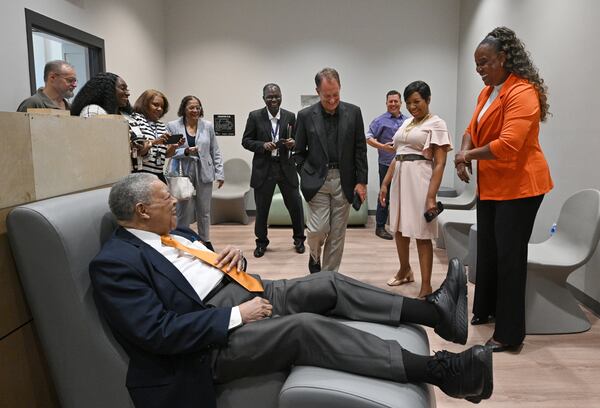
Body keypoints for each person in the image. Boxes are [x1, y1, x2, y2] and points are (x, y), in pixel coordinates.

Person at [90, 172, 493, 408]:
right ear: (141, 211)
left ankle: (436, 314)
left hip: (245, 288)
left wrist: (231, 256)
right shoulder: (115, 263)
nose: (176, 203)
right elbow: (157, 332)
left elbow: (198, 270)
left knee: (328, 283)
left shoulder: (172, 232)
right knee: (303, 328)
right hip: (206, 343)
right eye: (166, 199)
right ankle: (445, 373)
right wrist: (236, 316)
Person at [454, 27, 553, 352]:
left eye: (484, 62)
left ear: (503, 58)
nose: (479, 69)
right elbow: (472, 128)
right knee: (489, 250)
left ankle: (509, 335)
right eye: (476, 64)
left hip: (521, 187)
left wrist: (467, 155)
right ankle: (485, 310)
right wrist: (464, 153)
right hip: (494, 186)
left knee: (510, 257)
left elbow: (509, 145)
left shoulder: (523, 92)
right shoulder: (489, 91)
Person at [380, 81, 452, 299]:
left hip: (420, 179)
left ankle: (427, 285)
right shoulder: (408, 123)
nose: (412, 107)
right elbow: (398, 153)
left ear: (428, 100)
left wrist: (431, 196)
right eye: (409, 102)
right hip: (400, 176)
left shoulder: (437, 124)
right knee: (399, 229)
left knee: (421, 233)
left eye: (417, 102)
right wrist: (385, 183)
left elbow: (440, 163)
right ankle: (405, 270)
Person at [294, 68, 368, 273]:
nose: (333, 100)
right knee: (318, 230)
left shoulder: (354, 113)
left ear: (340, 88)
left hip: (344, 180)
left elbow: (360, 149)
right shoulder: (306, 116)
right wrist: (306, 174)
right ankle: (314, 255)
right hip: (317, 181)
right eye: (327, 96)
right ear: (317, 91)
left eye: (336, 94)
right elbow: (298, 153)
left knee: (337, 235)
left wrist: (361, 181)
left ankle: (327, 280)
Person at [241, 83, 305, 258]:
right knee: (262, 210)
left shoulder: (291, 116)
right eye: (270, 97)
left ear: (281, 96)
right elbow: (246, 141)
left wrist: (294, 143)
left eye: (277, 96)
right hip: (264, 169)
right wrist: (262, 145)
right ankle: (261, 243)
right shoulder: (254, 116)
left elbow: (300, 139)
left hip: (286, 168)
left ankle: (299, 239)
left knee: (296, 206)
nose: (274, 100)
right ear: (264, 98)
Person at [167, 95, 224, 247]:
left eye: (197, 107)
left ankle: (205, 241)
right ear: (184, 109)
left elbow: (215, 150)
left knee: (204, 210)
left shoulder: (208, 126)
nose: (195, 110)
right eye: (191, 107)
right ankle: (182, 240)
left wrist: (220, 173)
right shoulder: (173, 126)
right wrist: (185, 152)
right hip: (182, 171)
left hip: (204, 170)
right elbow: (169, 152)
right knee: (182, 210)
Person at [366, 90, 408, 240]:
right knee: (384, 195)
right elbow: (368, 137)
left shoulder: (408, 120)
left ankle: (403, 226)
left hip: (406, 164)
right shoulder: (380, 120)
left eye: (396, 101)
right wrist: (383, 147)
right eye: (390, 101)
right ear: (386, 103)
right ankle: (380, 227)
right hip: (386, 164)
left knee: (404, 195)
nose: (393, 104)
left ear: (400, 103)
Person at [131, 89, 182, 182]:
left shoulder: (161, 125)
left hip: (158, 174)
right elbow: (137, 149)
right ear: (144, 104)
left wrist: (174, 146)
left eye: (162, 107)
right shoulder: (135, 120)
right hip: (141, 174)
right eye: (155, 105)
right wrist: (155, 142)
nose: (159, 109)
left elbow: (166, 154)